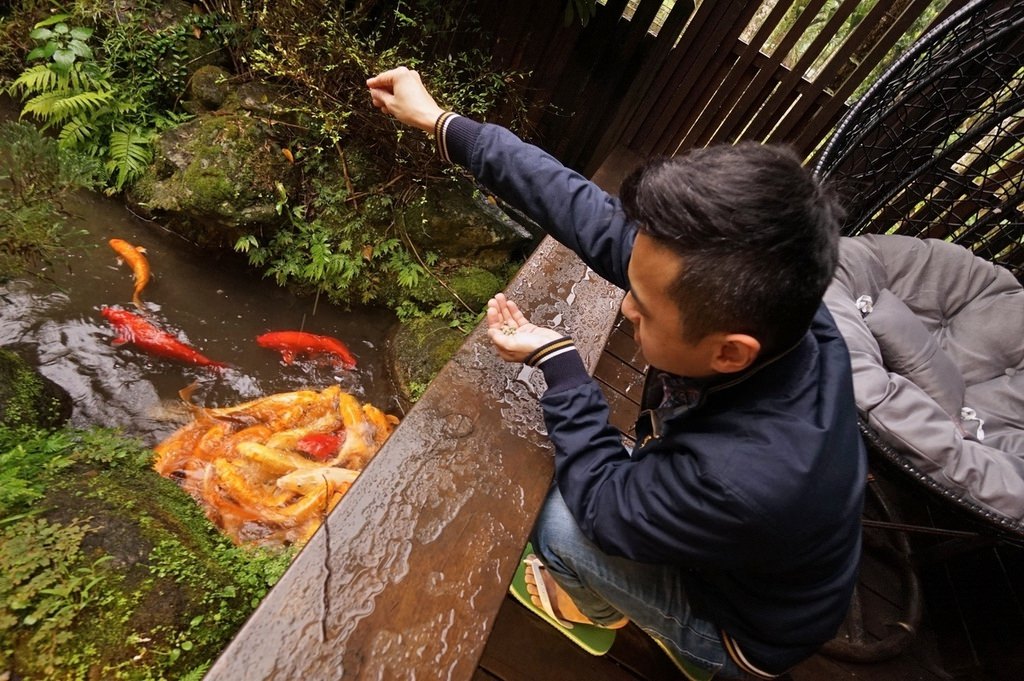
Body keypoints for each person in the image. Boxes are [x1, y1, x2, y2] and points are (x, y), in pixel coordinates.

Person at [367, 66, 865, 680]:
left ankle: (599, 611)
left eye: (643, 308)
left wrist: (561, 365)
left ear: (730, 352)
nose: (625, 305)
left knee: (559, 525)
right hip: (761, 553)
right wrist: (442, 123)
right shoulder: (787, 313)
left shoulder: (746, 477)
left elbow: (604, 506)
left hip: (744, 630)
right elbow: (580, 208)